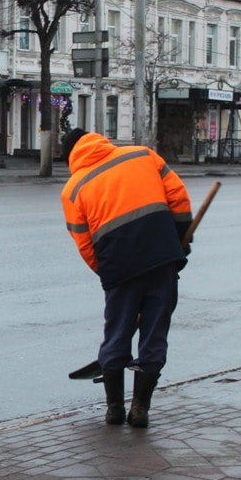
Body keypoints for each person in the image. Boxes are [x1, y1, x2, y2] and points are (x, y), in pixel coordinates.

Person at [59, 128, 192, 429]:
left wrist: (107, 272)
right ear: (100, 140)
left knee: (117, 333)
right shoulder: (143, 155)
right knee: (154, 333)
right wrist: (180, 240)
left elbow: (84, 243)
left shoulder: (73, 189)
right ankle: (141, 409)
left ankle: (114, 410)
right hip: (162, 257)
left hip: (118, 267)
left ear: (71, 155)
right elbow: (179, 198)